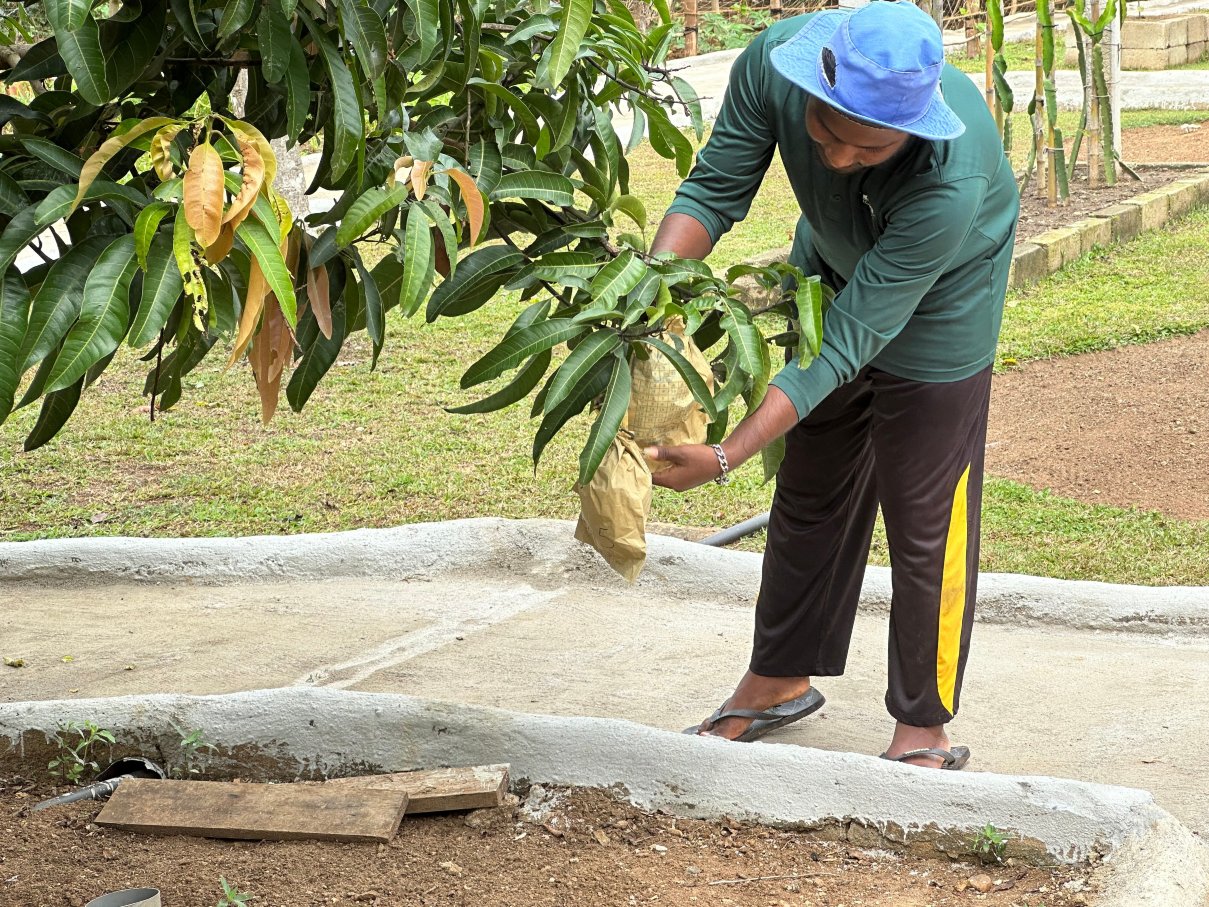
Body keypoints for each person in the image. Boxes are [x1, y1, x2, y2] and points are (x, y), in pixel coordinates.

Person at [645, 0, 1019, 770]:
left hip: (943, 303)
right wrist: (648, 295)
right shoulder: (772, 64)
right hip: (827, 265)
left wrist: (725, 453)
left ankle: (923, 726)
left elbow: (845, 342)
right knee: (811, 486)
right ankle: (778, 677)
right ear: (814, 79)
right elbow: (715, 189)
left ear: (914, 130)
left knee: (924, 514)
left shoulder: (951, 174)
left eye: (869, 147)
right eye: (828, 133)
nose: (842, 158)